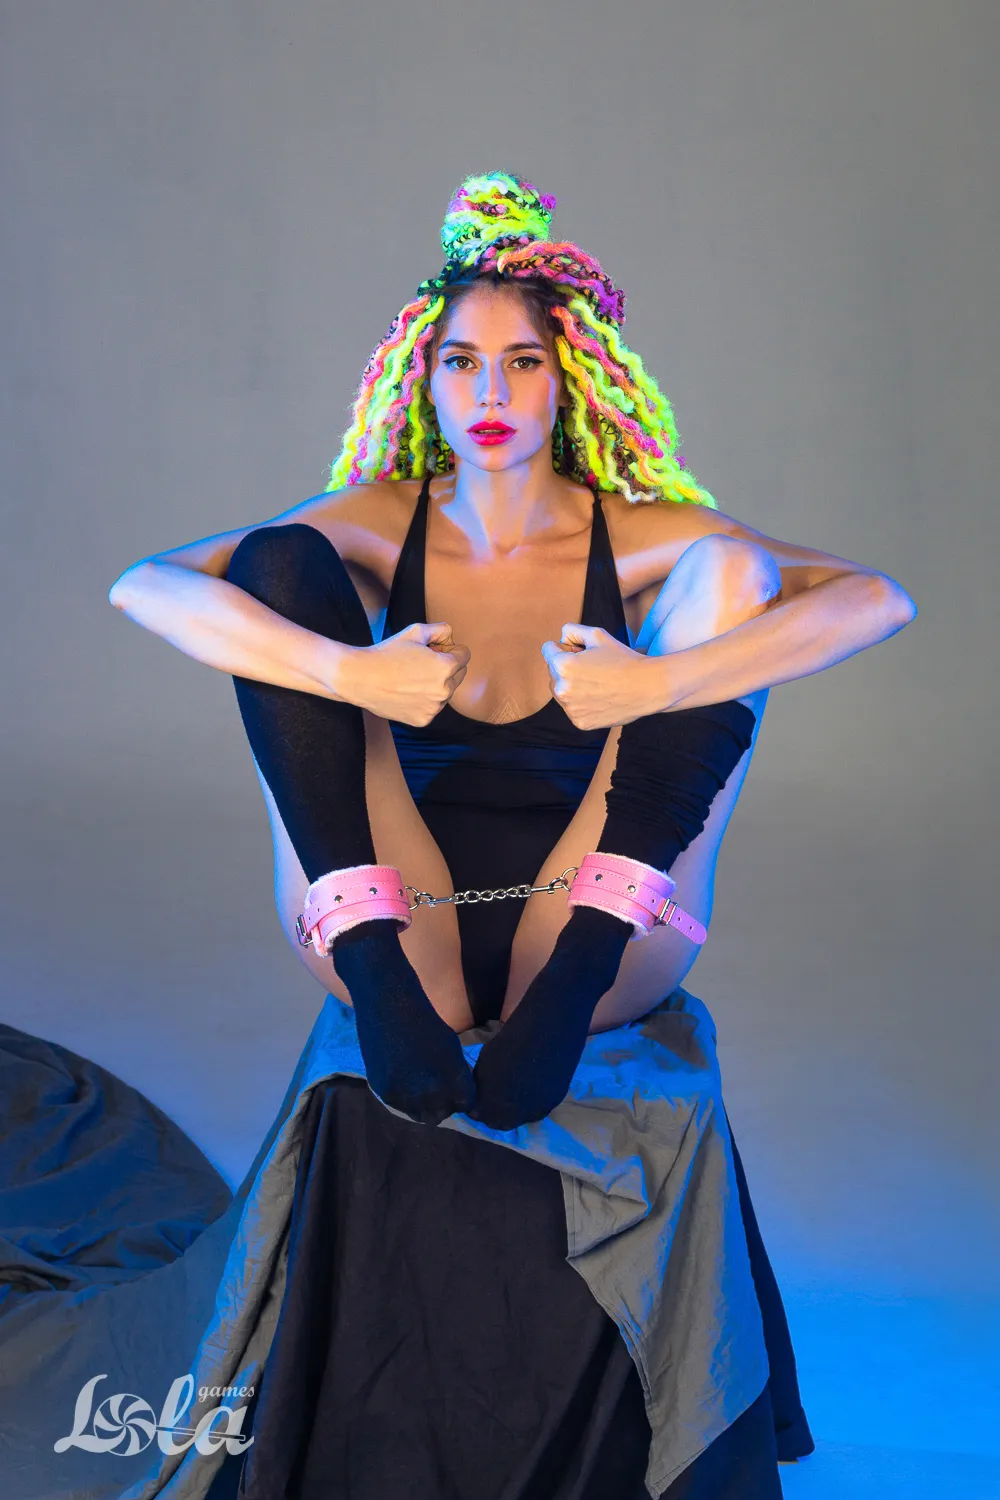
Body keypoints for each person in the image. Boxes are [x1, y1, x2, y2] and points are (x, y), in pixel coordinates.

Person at [109, 171, 916, 1498]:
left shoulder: (638, 536)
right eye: (462, 362)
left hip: (593, 925)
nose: (490, 391)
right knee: (272, 574)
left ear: (567, 380)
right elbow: (144, 587)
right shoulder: (383, 524)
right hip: (399, 916)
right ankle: (385, 990)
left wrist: (656, 681)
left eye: (521, 362)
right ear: (421, 383)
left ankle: (564, 993)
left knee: (735, 583)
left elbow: (876, 600)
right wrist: (354, 674)